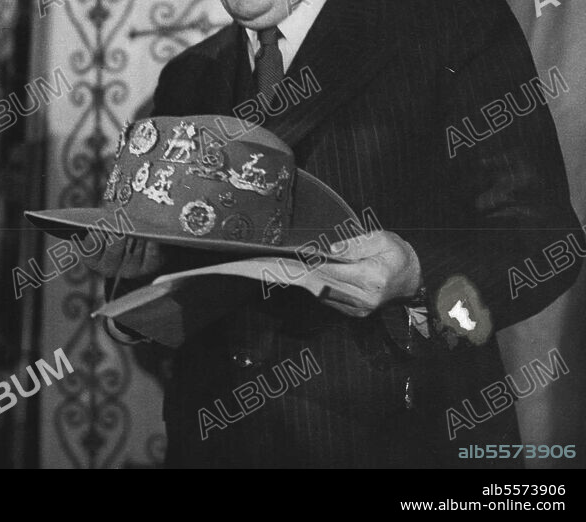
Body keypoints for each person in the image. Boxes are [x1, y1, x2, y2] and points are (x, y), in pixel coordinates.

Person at [86, 0, 583, 467]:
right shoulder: (188, 75)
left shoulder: (452, 21)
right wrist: (135, 276)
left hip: (404, 442)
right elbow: (173, 282)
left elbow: (545, 239)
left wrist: (414, 271)